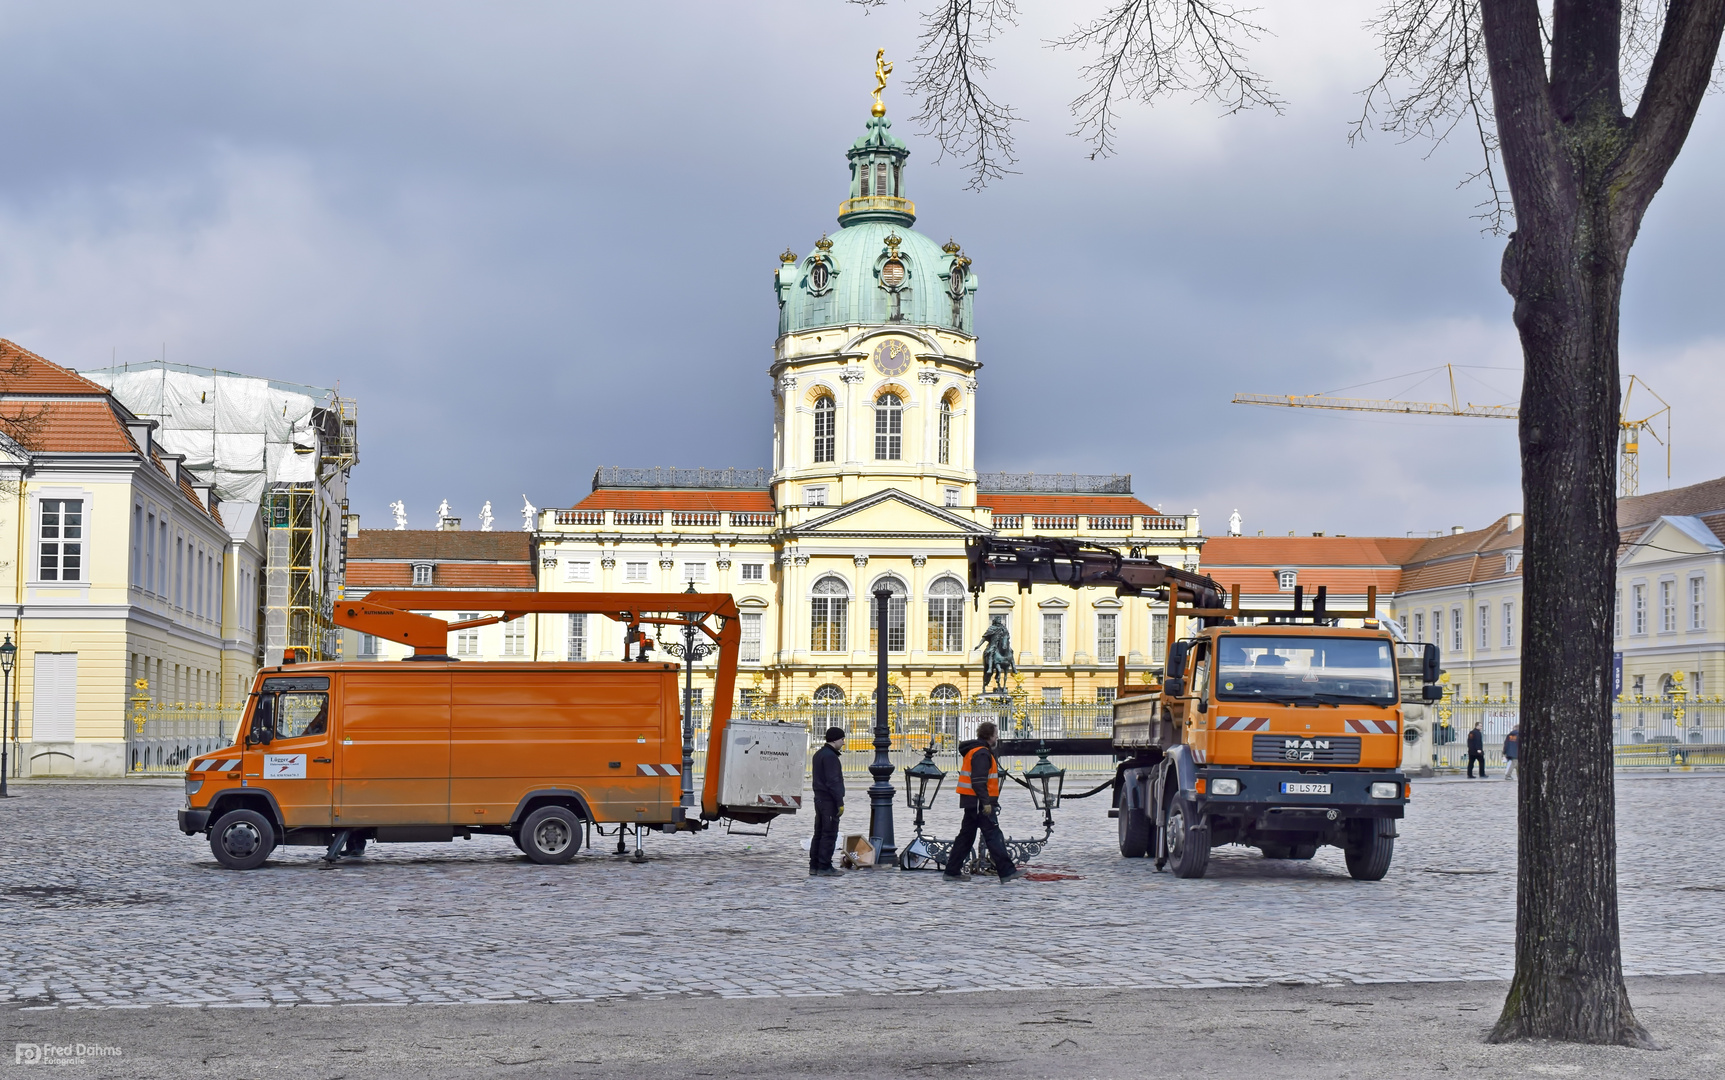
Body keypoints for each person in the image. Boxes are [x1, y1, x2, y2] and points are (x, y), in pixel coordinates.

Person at [943, 721, 1021, 884]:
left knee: (966, 837)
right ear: (990, 736)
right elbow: (979, 781)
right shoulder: (982, 753)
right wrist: (986, 802)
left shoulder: (975, 751)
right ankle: (1007, 872)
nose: (997, 737)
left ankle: (952, 871)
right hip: (980, 803)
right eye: (996, 734)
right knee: (993, 835)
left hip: (972, 801)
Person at [809, 726, 845, 877]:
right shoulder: (830, 757)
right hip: (828, 800)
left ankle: (814, 865)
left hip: (819, 799)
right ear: (835, 739)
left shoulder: (819, 754)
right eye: (842, 739)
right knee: (829, 834)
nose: (843, 742)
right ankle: (824, 866)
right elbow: (833, 781)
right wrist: (839, 802)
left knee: (819, 833)